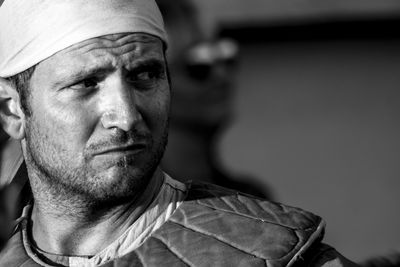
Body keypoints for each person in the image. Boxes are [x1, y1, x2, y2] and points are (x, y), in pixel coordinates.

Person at [0, 0, 358, 266]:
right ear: (11, 110)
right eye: (87, 83)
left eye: (145, 75)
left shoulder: (270, 254)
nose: (125, 116)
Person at [157, 0, 272, 198]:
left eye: (225, 55)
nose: (221, 75)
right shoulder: (140, 208)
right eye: (197, 64)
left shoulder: (249, 197)